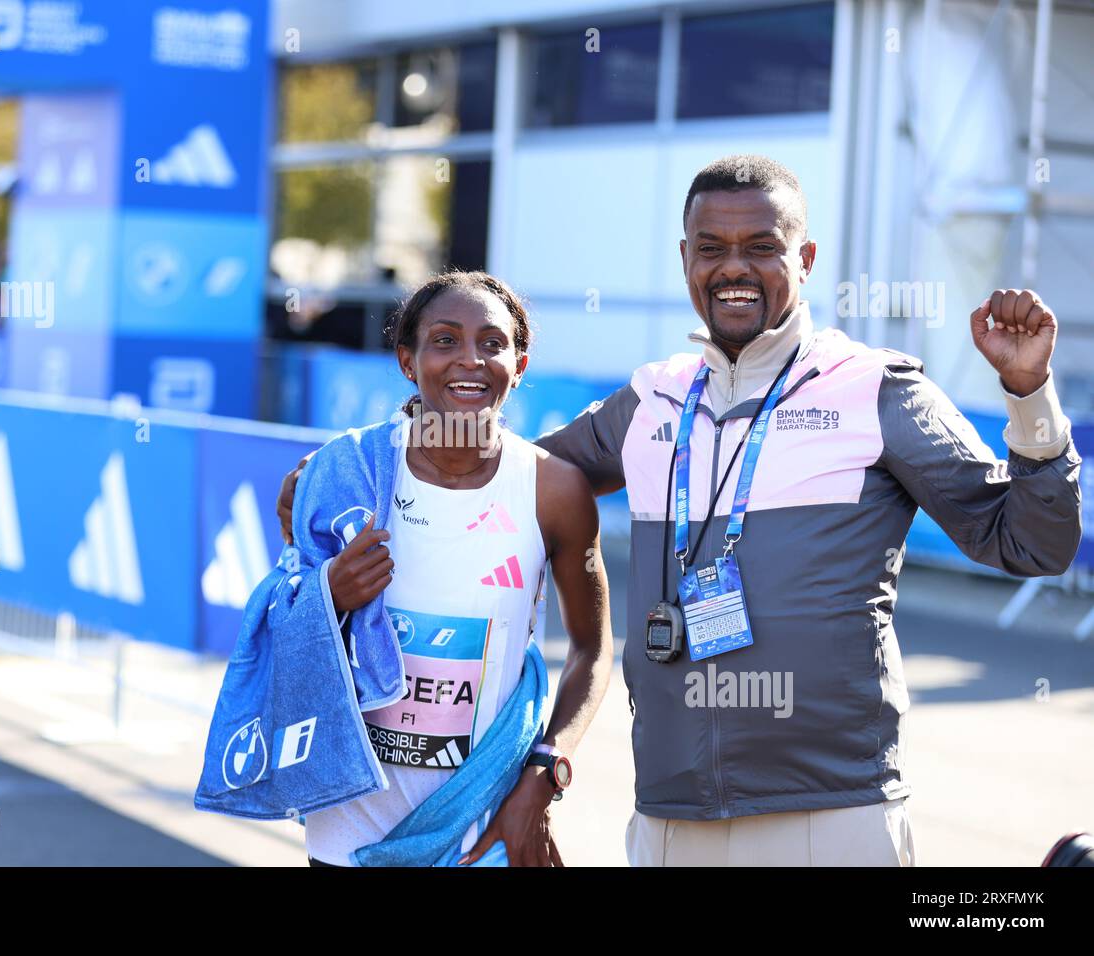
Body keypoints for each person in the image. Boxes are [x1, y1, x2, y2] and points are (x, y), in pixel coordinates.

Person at [280, 156, 1083, 867]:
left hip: (832, 812)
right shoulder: (654, 397)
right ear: (686, 261)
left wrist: (1027, 394)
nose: (735, 268)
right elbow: (499, 467)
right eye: (713, 248)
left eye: (762, 247)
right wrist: (346, 467)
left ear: (803, 260)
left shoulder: (876, 387)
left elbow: (1032, 546)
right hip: (670, 818)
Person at [301, 270, 613, 867]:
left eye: (492, 343)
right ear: (406, 361)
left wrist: (546, 773)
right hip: (348, 824)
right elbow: (278, 621)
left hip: (484, 823)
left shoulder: (552, 489)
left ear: (518, 364)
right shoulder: (348, 473)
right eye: (444, 340)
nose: (470, 359)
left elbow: (593, 651)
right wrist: (328, 595)